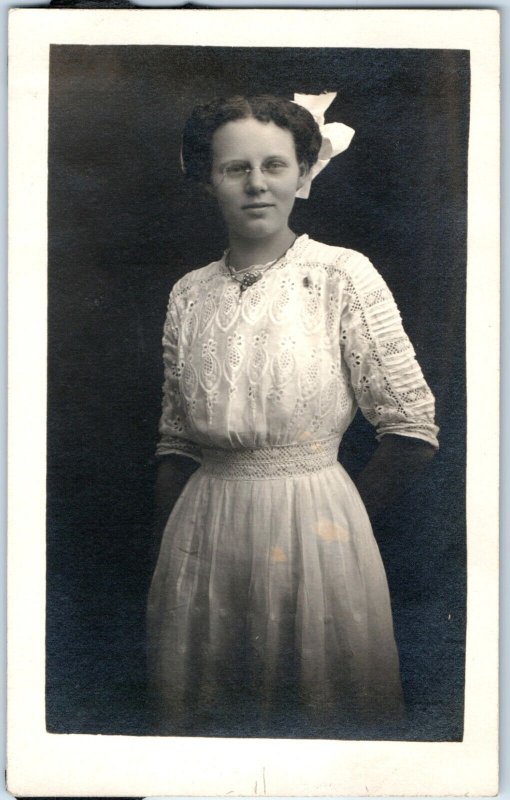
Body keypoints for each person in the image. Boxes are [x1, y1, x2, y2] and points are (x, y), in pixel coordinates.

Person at [146, 93, 439, 738]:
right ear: (207, 181)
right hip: (202, 538)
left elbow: (411, 430)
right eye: (235, 169)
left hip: (318, 532)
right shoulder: (189, 293)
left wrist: (337, 534)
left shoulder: (341, 274)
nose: (257, 184)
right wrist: (177, 553)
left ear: (304, 176)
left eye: (275, 166)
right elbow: (175, 441)